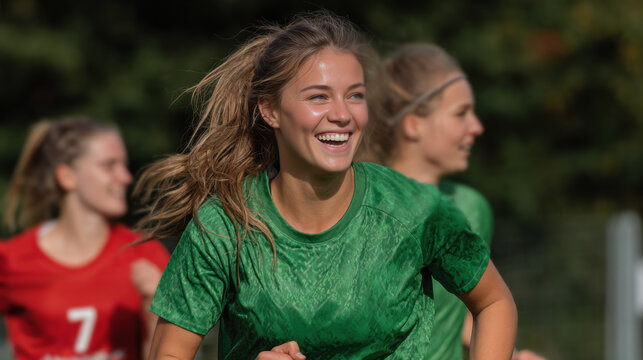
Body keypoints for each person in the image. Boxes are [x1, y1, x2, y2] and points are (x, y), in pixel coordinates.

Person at [135, 12, 517, 359]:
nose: (342, 114)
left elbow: (494, 303)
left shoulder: (416, 209)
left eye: (355, 96)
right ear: (269, 110)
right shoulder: (225, 225)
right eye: (319, 97)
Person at [375, 43, 546, 360]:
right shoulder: (360, 206)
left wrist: (513, 354)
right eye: (461, 114)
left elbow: (466, 310)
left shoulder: (470, 208)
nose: (477, 127)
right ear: (414, 123)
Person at [0, 117, 170, 360]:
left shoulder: (144, 253)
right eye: (109, 165)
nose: (125, 177)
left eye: (124, 165)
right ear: (67, 176)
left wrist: (153, 307)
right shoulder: (13, 260)